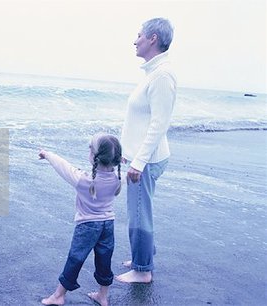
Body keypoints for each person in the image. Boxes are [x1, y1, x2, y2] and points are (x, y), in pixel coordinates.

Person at [115, 17, 177, 283]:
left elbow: (159, 124)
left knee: (139, 214)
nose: (134, 40)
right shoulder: (153, 73)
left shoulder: (162, 75)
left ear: (153, 39)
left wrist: (138, 162)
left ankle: (142, 270)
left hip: (147, 160)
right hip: (144, 157)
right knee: (140, 210)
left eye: (139, 35)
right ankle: (144, 255)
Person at [39, 133, 122, 306]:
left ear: (94, 156)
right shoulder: (118, 178)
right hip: (108, 225)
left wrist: (47, 154)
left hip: (87, 226)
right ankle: (103, 296)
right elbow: (132, 174)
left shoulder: (83, 179)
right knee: (104, 259)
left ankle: (59, 295)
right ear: (116, 159)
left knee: (76, 259)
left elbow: (63, 166)